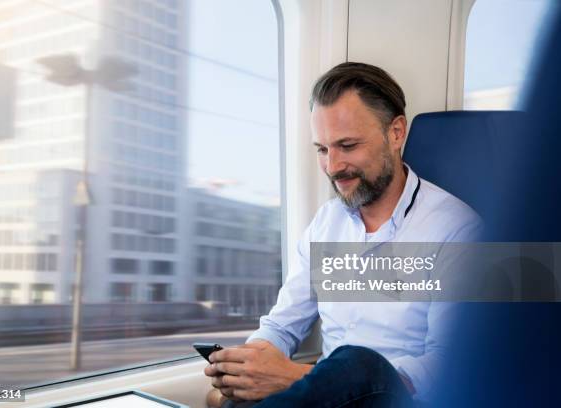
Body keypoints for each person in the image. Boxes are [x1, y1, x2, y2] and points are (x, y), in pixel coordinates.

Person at [204, 62, 481, 408]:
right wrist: (245, 366)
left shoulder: (457, 230)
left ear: (396, 133)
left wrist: (294, 378)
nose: (333, 167)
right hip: (324, 400)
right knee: (227, 398)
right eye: (322, 149)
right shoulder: (326, 223)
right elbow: (282, 325)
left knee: (358, 364)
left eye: (347, 146)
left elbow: (444, 366)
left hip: (401, 402)